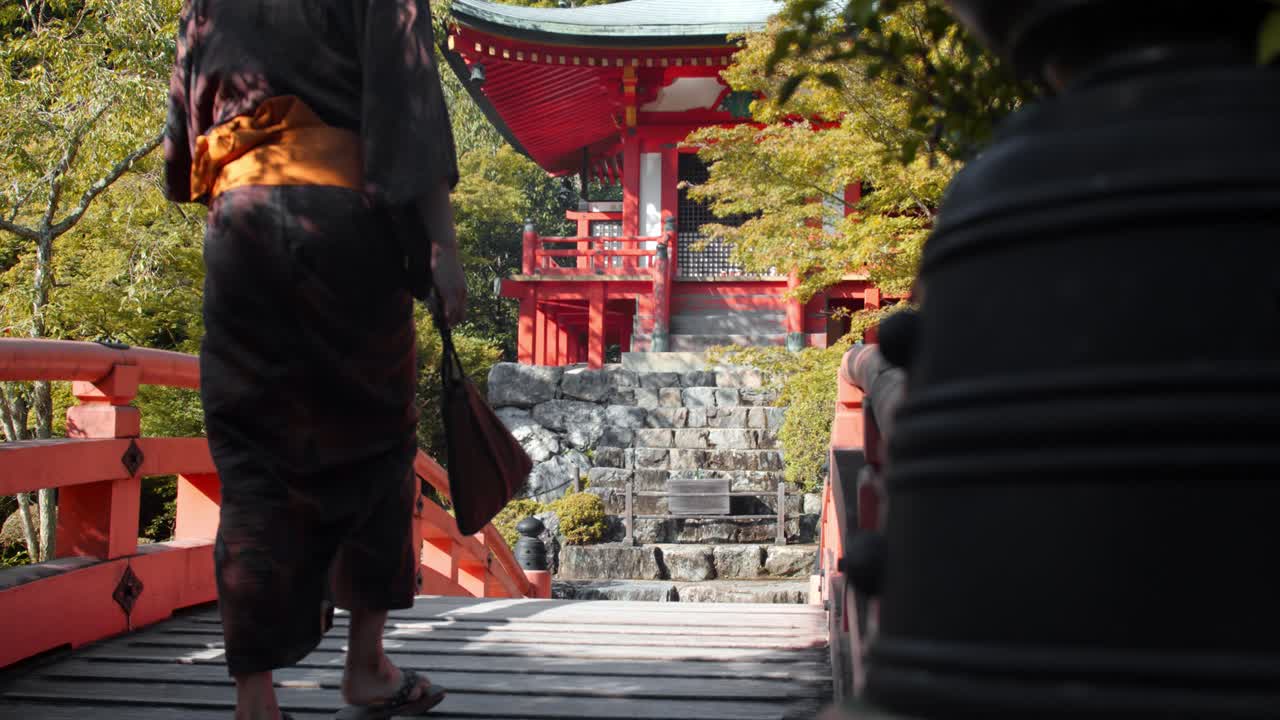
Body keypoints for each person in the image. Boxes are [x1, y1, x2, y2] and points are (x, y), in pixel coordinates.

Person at [163, 1, 466, 718]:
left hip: (239, 230)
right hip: (342, 229)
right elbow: (410, 110)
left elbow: (181, 152)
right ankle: (366, 665)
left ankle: (255, 697)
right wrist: (443, 249)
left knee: (251, 454)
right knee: (377, 441)